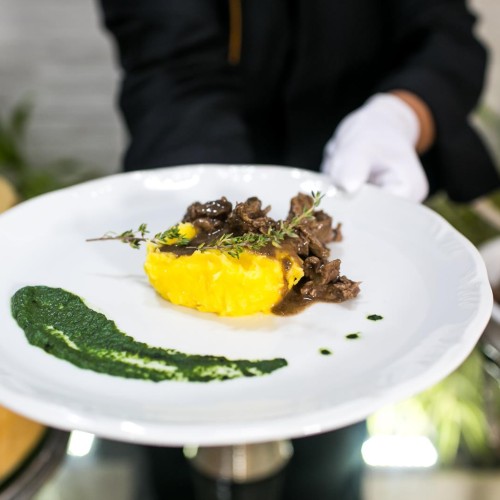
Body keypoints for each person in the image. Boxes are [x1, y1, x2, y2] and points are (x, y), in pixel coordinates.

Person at [97, 1, 500, 498]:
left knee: (329, 463)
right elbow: (169, 57)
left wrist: (402, 113)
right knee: (175, 454)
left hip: (345, 176)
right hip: (192, 149)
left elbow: (448, 36)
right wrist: (213, 222)